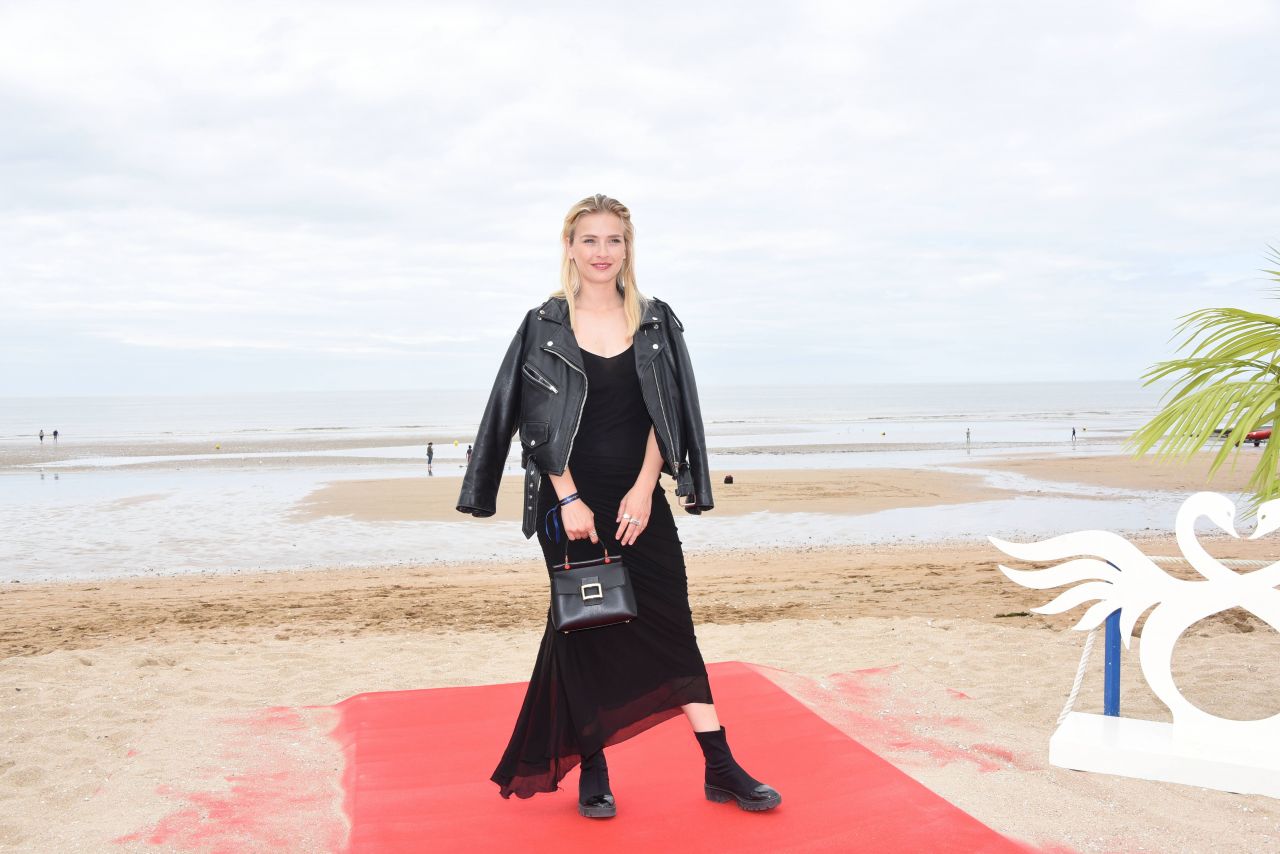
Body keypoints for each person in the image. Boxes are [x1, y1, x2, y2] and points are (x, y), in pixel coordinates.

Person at [457, 194, 779, 819]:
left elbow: (672, 413)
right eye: (589, 240)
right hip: (568, 502)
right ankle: (593, 768)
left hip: (639, 497)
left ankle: (721, 767)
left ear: (628, 249)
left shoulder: (656, 320)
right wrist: (568, 495)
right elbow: (531, 422)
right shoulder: (543, 324)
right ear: (569, 249)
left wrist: (645, 485)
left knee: (671, 624)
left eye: (613, 240)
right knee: (584, 634)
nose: (602, 253)